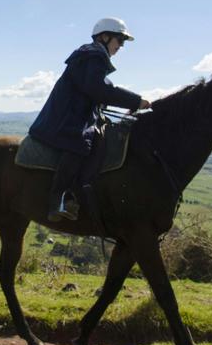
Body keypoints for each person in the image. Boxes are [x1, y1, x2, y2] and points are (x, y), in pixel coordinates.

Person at [28, 17, 151, 222]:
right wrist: (136, 101)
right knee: (81, 143)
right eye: (119, 40)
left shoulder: (92, 57)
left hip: (76, 115)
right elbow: (99, 89)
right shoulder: (93, 55)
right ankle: (57, 200)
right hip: (68, 119)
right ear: (105, 37)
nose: (121, 46)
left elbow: (95, 91)